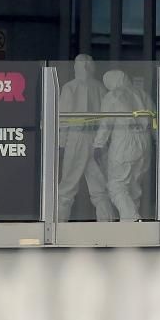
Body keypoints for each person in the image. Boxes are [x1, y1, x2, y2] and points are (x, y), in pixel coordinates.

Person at [57, 55, 113, 222]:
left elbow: (63, 118)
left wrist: (61, 143)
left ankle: (58, 226)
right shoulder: (100, 87)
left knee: (68, 185)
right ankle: (107, 225)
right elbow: (107, 117)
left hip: (76, 138)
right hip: (96, 139)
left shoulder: (70, 87)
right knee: (100, 187)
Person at [94, 70, 154, 221]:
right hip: (144, 142)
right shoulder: (142, 94)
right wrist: (159, 142)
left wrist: (98, 145)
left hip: (124, 141)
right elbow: (156, 120)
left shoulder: (113, 95)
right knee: (134, 187)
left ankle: (132, 218)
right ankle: (129, 228)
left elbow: (106, 123)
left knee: (116, 185)